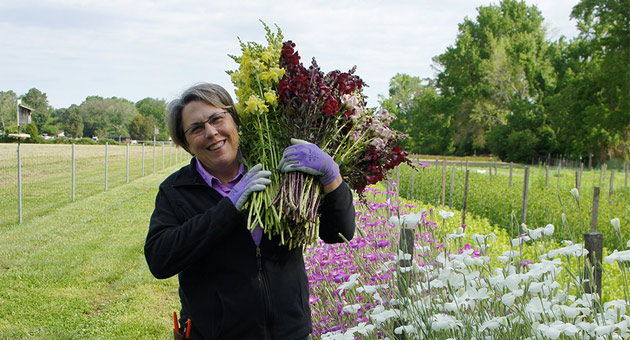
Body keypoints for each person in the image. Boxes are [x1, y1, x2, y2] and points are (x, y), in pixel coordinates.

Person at [144, 83, 356, 340]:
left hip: (288, 333)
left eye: (217, 119)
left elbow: (339, 233)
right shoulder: (176, 190)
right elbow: (160, 259)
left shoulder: (278, 169)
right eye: (196, 128)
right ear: (186, 142)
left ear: (234, 121)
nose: (211, 132)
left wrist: (331, 176)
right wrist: (229, 207)